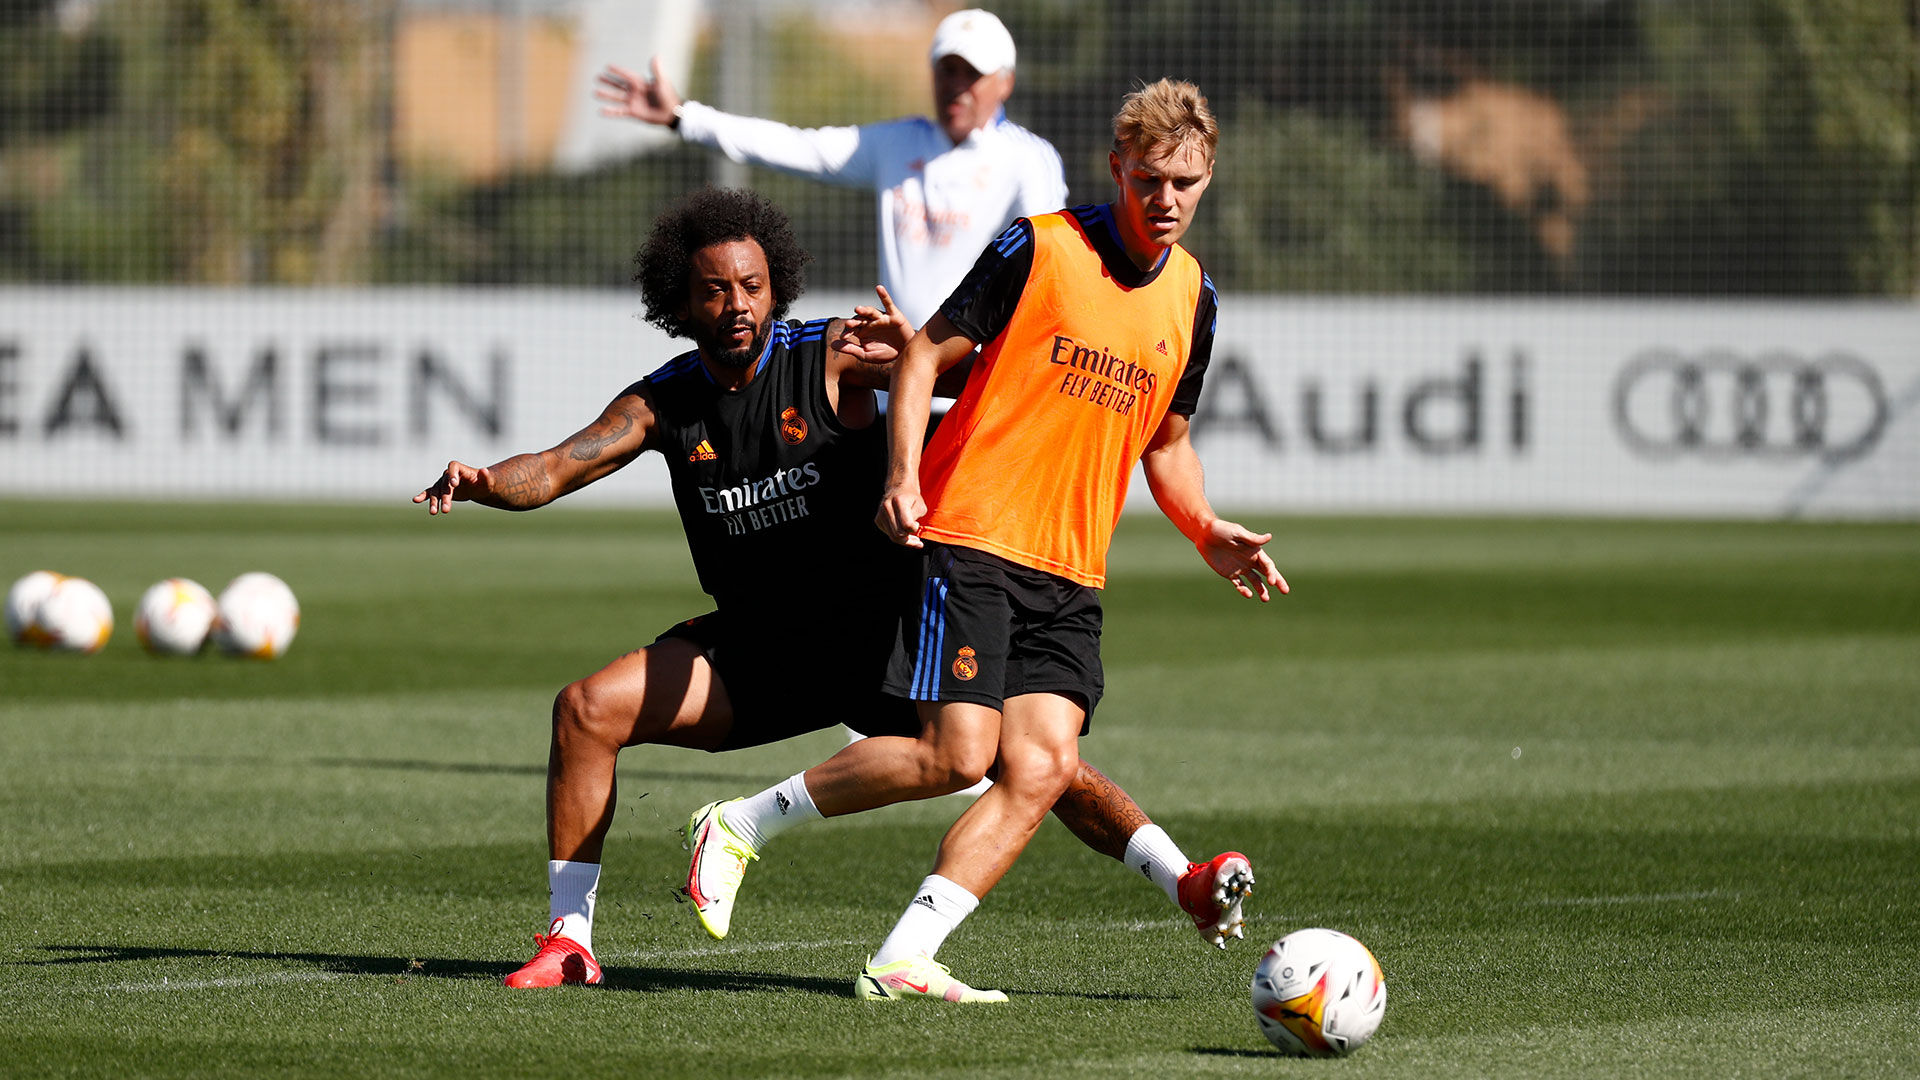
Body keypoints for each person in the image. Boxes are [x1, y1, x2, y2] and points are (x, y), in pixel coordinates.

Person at [412, 187, 1252, 992]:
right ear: (682, 300)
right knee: (586, 711)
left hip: (880, 638)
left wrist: (916, 347)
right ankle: (568, 943)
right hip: (760, 653)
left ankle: (1182, 878)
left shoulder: (831, 357)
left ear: (776, 284)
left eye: (752, 285)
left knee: (1034, 763)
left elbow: (971, 379)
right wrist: (488, 480)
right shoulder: (666, 401)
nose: (737, 303)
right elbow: (560, 464)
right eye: (715, 291)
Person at [852, 77, 1287, 1002]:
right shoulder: (1040, 244)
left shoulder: (1196, 298)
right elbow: (926, 351)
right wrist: (899, 476)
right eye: (1151, 179)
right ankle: (745, 821)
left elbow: (1167, 443)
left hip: (1071, 565)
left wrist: (1205, 527)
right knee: (959, 759)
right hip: (972, 533)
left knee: (1043, 766)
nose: (1166, 200)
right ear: (1118, 167)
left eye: (1188, 183)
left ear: (1208, 179)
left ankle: (903, 960)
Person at [595, 8, 1065, 330]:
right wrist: (685, 117)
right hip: (894, 387)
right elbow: (798, 147)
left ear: (1005, 83)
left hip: (975, 393)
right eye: (948, 69)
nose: (957, 86)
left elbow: (1047, 267)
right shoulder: (895, 144)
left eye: (973, 73)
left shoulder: (1027, 159)